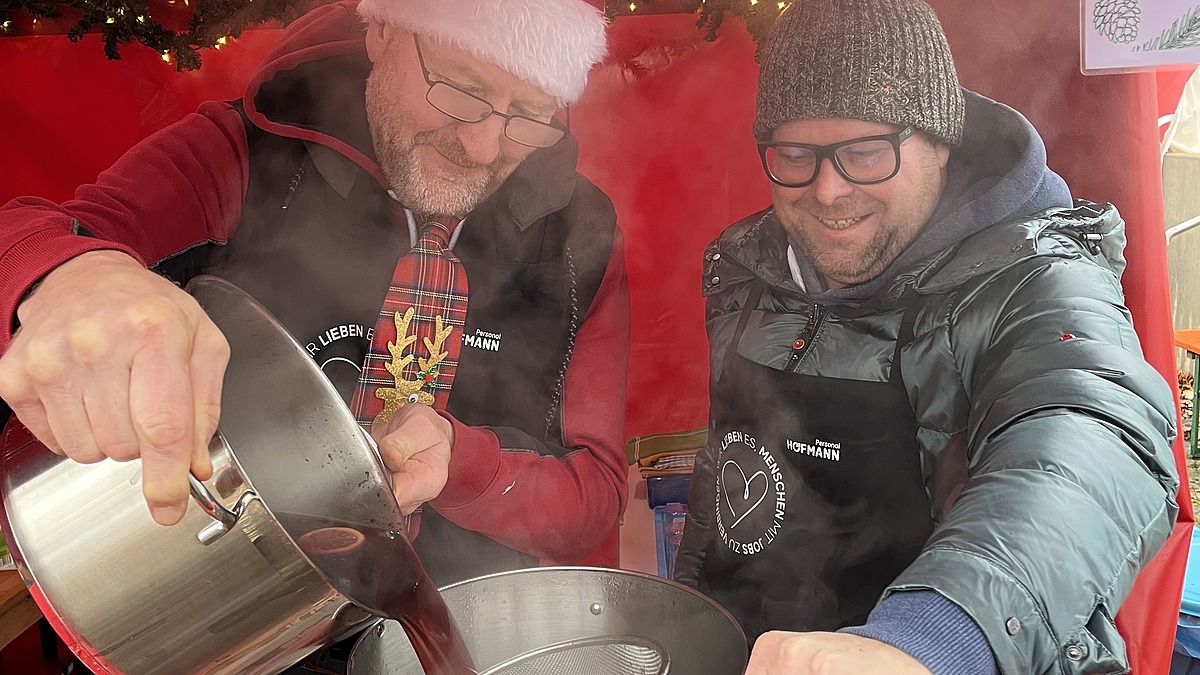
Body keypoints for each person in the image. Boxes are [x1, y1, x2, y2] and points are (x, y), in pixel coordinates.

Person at [0, 0, 630, 587]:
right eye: (462, 88)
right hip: (222, 600)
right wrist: (70, 278)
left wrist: (464, 465)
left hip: (454, 616)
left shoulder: (579, 233)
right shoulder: (246, 150)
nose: (483, 148)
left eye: (529, 113)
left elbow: (594, 502)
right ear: (382, 30)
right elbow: (32, 237)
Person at [672, 0, 1179, 673]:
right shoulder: (745, 269)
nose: (827, 190)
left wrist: (932, 636)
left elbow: (1086, 436)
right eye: (795, 154)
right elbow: (733, 486)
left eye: (865, 152)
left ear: (938, 139)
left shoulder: (1035, 279)